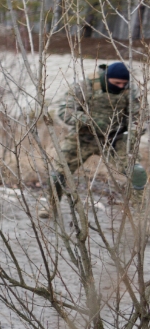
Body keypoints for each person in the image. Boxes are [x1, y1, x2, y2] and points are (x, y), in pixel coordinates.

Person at [40, 61, 145, 218]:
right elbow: (64, 111)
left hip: (115, 139)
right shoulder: (85, 86)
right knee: (59, 173)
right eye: (117, 83)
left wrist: (132, 133)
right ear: (106, 78)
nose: (121, 87)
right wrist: (88, 120)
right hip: (83, 137)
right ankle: (51, 206)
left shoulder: (130, 91)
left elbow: (140, 118)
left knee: (137, 172)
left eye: (124, 83)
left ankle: (141, 214)